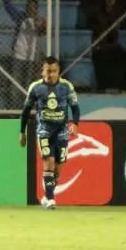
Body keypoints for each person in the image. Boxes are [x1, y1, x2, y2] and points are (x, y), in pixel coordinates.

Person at [19, 57, 81, 210]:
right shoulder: (35, 88)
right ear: (42, 71)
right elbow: (26, 111)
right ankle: (51, 199)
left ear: (58, 71)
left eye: (54, 71)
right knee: (49, 161)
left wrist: (75, 124)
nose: (50, 74)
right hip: (44, 129)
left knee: (58, 168)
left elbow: (75, 107)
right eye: (48, 71)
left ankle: (47, 196)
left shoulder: (66, 86)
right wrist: (22, 131)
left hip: (61, 130)